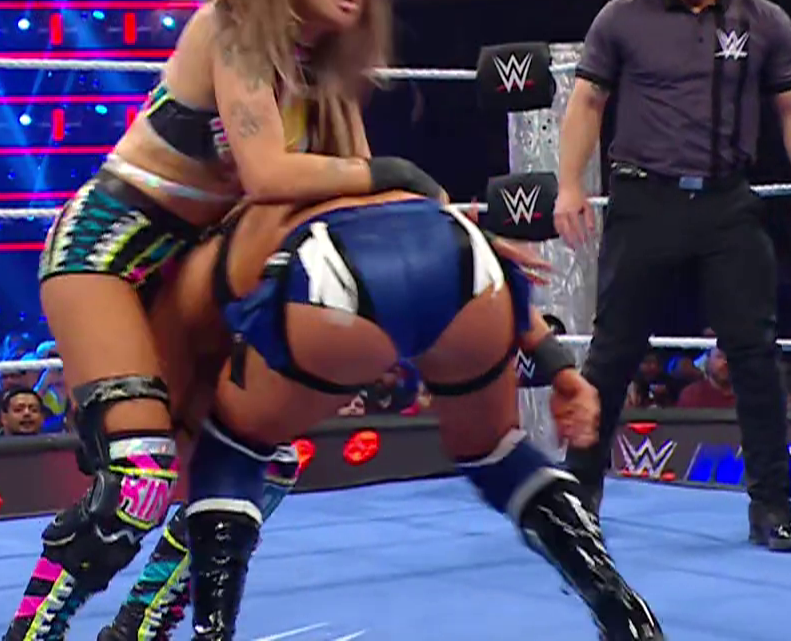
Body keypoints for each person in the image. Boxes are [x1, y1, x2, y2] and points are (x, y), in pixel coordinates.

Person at [6, 0, 448, 641]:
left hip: (199, 272)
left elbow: (360, 204)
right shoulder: (233, 27)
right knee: (139, 483)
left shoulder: (328, 78)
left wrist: (464, 246)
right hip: (108, 250)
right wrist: (398, 173)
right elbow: (272, 175)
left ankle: (142, 625)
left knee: (260, 465)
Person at [138, 189, 663, 641]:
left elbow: (175, 431)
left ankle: (211, 633)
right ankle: (625, 614)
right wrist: (559, 366)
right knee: (494, 451)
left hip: (333, 271)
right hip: (463, 253)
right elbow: (466, 246)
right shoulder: (370, 171)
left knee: (231, 446)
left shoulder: (207, 244)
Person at [551, 0, 791, 553]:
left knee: (755, 355)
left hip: (726, 203)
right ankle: (579, 498)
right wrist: (568, 186)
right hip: (643, 199)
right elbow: (587, 102)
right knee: (613, 352)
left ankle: (772, 507)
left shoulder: (762, 20)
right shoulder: (622, 18)